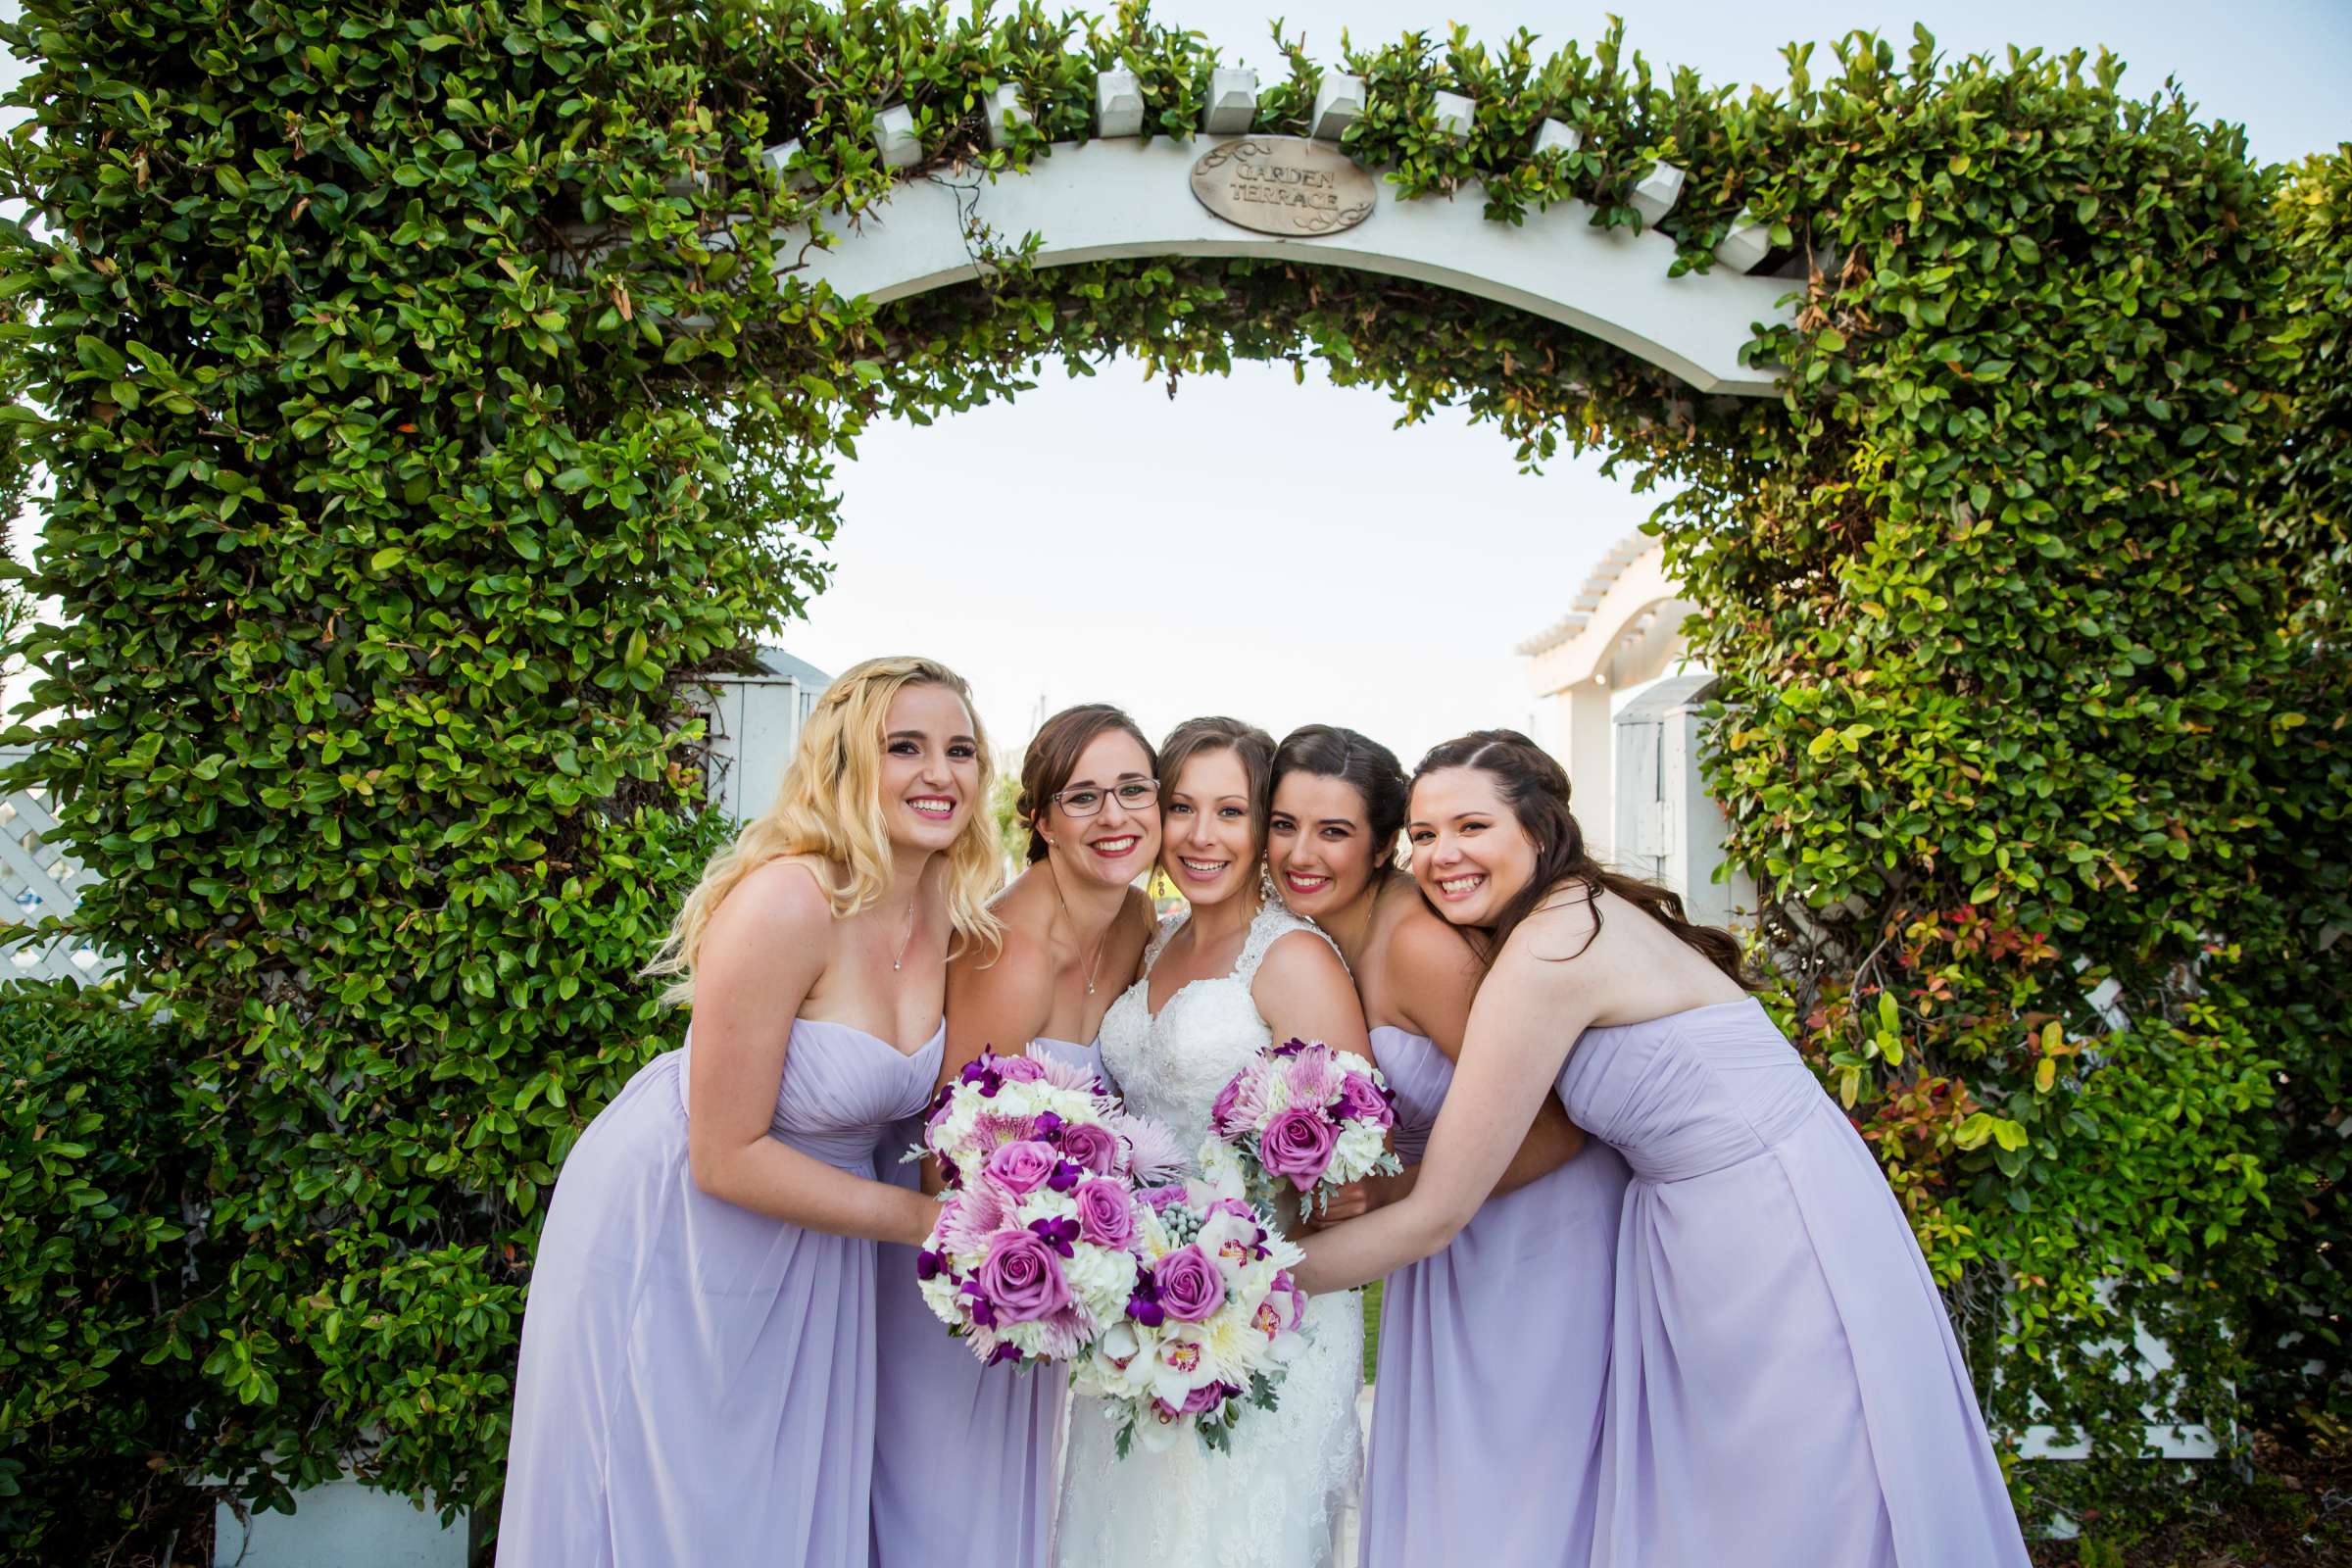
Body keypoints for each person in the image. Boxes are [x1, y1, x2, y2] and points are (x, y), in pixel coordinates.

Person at [1295, 730, 2031, 1567]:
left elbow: (1436, 1212)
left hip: (1768, 1226)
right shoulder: (1562, 915)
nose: (1441, 856)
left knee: (1805, 1488)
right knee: (1732, 1503)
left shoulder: (1550, 948)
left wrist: (1245, 1281)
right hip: (1701, 1217)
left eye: (1472, 827)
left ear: (1537, 828)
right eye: (1424, 835)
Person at [498, 656, 1003, 1568]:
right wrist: (934, 1221)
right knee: (691, 1504)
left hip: (825, 1241)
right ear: (848, 764)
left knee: (788, 1507)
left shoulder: (948, 910)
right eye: (906, 747)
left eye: (960, 749)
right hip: (687, 1230)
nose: (941, 773)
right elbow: (724, 1154)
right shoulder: (786, 902)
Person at [1265, 724, 1627, 1567]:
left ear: (1383, 842)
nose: (1301, 854)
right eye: (1285, 825)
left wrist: (1396, 1194)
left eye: (1334, 831)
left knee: (1513, 1497)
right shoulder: (1321, 938)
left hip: (1538, 1231)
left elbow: (1555, 1124)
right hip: (1454, 1229)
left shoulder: (1417, 946)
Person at [1054, 717, 1371, 1568]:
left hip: (1261, 1324)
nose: (1201, 836)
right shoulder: (1154, 941)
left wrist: (1232, 1281)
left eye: (1230, 812)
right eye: (1182, 807)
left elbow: (1351, 1161)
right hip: (1139, 1311)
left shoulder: (1294, 958)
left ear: (1263, 824)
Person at [870, 704, 1162, 1566]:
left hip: (1046, 1269)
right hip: (957, 1272)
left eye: (1134, 790)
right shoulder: (1012, 950)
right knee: (943, 1500)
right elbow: (944, 1157)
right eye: (1083, 798)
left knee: (1010, 1504)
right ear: (1039, 820)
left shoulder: (1139, 919)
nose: (1115, 817)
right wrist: (1033, 1267)